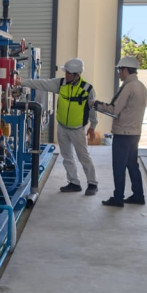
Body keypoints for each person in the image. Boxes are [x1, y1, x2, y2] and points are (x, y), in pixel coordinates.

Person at [18, 58, 99, 195]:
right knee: (67, 156)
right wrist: (22, 82)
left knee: (83, 156)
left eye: (68, 73)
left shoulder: (87, 89)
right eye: (66, 72)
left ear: (77, 75)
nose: (65, 75)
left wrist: (93, 126)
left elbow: (93, 109)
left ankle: (92, 183)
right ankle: (74, 182)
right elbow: (42, 83)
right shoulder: (61, 84)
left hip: (78, 129)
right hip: (62, 127)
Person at [93, 55, 147, 207]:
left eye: (119, 70)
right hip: (134, 133)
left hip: (123, 133)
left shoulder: (128, 86)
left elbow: (114, 109)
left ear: (125, 70)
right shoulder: (141, 86)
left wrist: (95, 104)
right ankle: (138, 195)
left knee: (119, 166)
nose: (118, 73)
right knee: (132, 165)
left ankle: (118, 198)